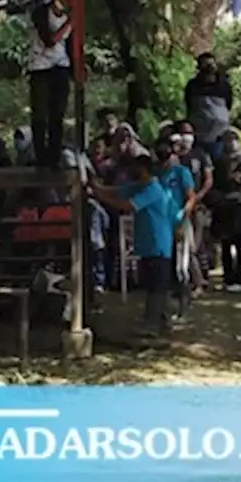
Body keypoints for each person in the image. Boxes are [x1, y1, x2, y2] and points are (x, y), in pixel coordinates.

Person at [90, 155, 175, 338]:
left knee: (156, 288)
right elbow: (115, 191)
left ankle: (153, 325)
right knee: (152, 284)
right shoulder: (140, 186)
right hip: (147, 245)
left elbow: (129, 206)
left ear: (144, 169)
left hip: (158, 245)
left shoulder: (152, 189)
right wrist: (96, 187)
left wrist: (102, 198)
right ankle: (160, 322)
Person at [27, 0, 72, 168]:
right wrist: (70, 23)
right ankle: (40, 156)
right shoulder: (41, 13)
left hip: (60, 66)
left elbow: (69, 44)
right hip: (40, 67)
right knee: (40, 113)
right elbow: (50, 39)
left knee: (57, 113)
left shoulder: (68, 15)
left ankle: (54, 157)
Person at [155, 137, 196, 318]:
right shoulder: (158, 174)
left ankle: (184, 307)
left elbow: (190, 197)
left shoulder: (181, 172)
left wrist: (183, 220)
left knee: (181, 267)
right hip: (162, 225)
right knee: (166, 267)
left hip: (179, 223)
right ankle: (168, 309)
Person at [174, 120, 214, 295]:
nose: (187, 136)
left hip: (197, 206)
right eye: (183, 133)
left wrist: (198, 196)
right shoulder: (175, 158)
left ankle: (200, 280)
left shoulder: (200, 155)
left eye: (189, 133)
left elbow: (208, 179)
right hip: (178, 208)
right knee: (183, 246)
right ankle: (189, 282)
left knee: (195, 246)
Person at [212, 130, 241, 292]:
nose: (229, 143)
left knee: (240, 243)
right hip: (223, 206)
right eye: (226, 140)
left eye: (231, 140)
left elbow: (237, 178)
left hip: (238, 204)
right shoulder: (218, 161)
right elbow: (218, 181)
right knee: (225, 243)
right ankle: (228, 279)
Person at [184, 52, 234, 159]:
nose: (209, 68)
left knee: (218, 162)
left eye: (211, 64)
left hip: (218, 135)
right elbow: (190, 105)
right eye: (206, 65)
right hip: (199, 135)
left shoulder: (224, 85)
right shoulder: (193, 86)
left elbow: (228, 105)